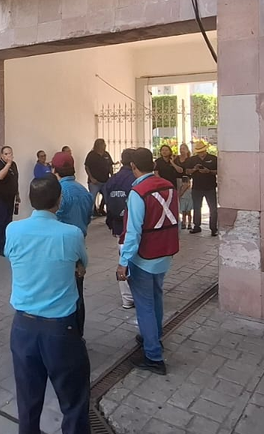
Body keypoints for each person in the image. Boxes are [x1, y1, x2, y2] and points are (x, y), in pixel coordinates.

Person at [5, 176, 90, 434]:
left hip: (22, 326)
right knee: (74, 401)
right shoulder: (71, 234)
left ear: (31, 200)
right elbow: (82, 265)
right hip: (60, 329)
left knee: (28, 401)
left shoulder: (13, 229)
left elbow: (11, 254)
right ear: (59, 201)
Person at [117, 148, 179, 375]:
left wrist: (124, 261)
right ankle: (154, 336)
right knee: (156, 296)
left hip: (144, 256)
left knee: (144, 304)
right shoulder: (168, 185)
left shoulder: (138, 192)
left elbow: (133, 232)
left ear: (133, 166)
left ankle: (153, 355)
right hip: (165, 250)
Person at [51, 150, 93, 334]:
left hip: (60, 251)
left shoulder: (59, 193)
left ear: (54, 170)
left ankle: (64, 335)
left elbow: (54, 222)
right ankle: (78, 334)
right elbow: (88, 218)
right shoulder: (84, 191)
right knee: (78, 293)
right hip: (78, 247)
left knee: (61, 295)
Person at [102, 148, 138, 310]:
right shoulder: (136, 179)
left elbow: (107, 201)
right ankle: (137, 295)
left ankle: (126, 298)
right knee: (136, 260)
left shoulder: (113, 180)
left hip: (118, 225)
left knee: (123, 257)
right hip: (134, 225)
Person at [0, 145, 20, 256]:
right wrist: (8, 164)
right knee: (0, 222)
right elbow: (0, 176)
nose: (9, 156)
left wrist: (17, 194)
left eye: (10, 153)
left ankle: (7, 244)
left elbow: (15, 180)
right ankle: (0, 246)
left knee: (8, 222)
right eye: (6, 154)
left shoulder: (14, 165)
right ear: (2, 155)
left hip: (10, 198)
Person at [188, 142, 219, 235]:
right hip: (197, 187)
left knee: (213, 208)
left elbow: (219, 171)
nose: (200, 153)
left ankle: (213, 228)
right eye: (198, 152)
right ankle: (197, 226)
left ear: (205, 150)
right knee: (197, 207)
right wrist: (194, 169)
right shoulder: (192, 159)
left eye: (201, 151)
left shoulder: (213, 159)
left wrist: (208, 171)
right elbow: (187, 171)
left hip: (210, 187)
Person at [84, 139, 114, 216]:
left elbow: (110, 165)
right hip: (95, 181)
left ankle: (103, 210)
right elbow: (87, 166)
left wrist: (112, 175)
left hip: (105, 180)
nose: (105, 145)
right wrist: (91, 177)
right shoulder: (91, 155)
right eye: (103, 144)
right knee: (92, 198)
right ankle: (90, 214)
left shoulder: (106, 154)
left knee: (107, 197)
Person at [177, 143, 194, 227]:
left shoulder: (190, 160)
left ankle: (190, 223)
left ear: (187, 150)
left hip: (186, 180)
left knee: (188, 209)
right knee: (182, 208)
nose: (181, 150)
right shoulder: (176, 158)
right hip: (178, 180)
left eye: (183, 148)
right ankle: (183, 222)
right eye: (180, 148)